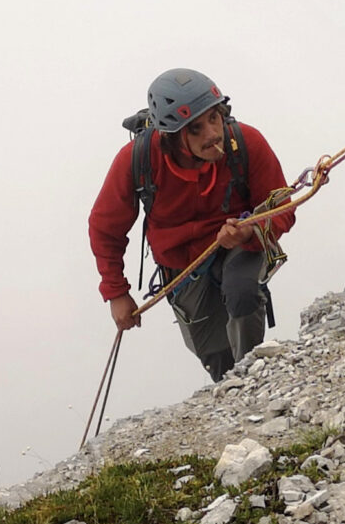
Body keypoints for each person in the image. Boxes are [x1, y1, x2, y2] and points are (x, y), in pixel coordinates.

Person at [89, 68, 295, 381]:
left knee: (242, 290)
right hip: (183, 267)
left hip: (241, 243)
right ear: (172, 136)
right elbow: (105, 228)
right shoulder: (138, 161)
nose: (212, 133)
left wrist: (251, 230)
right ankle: (230, 388)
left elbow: (281, 206)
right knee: (215, 355)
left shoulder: (245, 143)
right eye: (195, 128)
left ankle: (253, 380)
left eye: (214, 118)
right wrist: (117, 292)